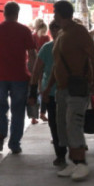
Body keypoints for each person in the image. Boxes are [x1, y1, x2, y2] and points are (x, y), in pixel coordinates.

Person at [43, 1, 94, 181]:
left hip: (77, 87)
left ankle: (81, 162)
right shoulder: (61, 33)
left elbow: (93, 56)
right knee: (63, 126)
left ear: (60, 13)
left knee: (73, 124)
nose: (53, 15)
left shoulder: (79, 31)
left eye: (54, 12)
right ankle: (74, 162)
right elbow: (56, 65)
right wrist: (47, 88)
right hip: (61, 89)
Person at [0, 1, 37, 154]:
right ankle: (14, 143)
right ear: (17, 13)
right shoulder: (24, 31)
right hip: (20, 76)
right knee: (18, 110)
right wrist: (34, 75)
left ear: (4, 13)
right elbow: (32, 55)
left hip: (0, 76)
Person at [30, 20, 67, 167]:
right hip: (50, 91)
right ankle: (61, 153)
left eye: (57, 28)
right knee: (54, 123)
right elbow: (37, 70)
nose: (54, 31)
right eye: (52, 29)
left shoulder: (69, 46)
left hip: (68, 90)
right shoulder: (47, 48)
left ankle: (73, 149)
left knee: (68, 121)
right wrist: (33, 91)